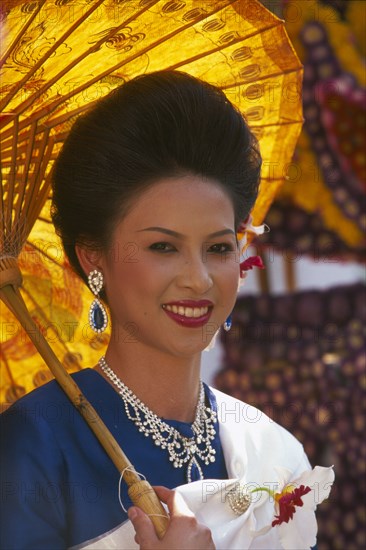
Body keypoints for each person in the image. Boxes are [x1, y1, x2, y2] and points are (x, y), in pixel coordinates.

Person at [0, 71, 333, 550]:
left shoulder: (272, 452)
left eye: (219, 248)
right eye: (163, 246)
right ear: (95, 257)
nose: (198, 278)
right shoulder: (34, 446)